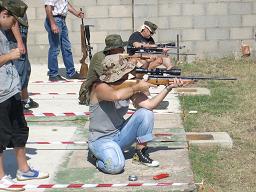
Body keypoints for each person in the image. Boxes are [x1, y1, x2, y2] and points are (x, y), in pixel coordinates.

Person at [86, 34, 185, 174]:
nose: (129, 74)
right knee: (115, 167)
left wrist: (168, 88)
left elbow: (150, 105)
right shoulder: (98, 87)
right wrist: (137, 86)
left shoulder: (128, 87)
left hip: (120, 134)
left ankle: (141, 152)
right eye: (126, 72)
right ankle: (96, 156)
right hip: (100, 140)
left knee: (145, 113)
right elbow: (116, 96)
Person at [0, 0, 49, 191]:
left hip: (11, 90)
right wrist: (8, 57)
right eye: (14, 21)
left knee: (20, 131)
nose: (15, 26)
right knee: (1, 136)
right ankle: (1, 177)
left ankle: (24, 170)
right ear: (4, 14)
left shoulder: (3, 31)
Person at [44, 0, 84, 81]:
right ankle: (53, 74)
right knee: (55, 48)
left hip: (61, 20)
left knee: (66, 47)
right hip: (55, 20)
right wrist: (53, 24)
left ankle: (71, 72)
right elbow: (48, 8)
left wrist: (76, 13)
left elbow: (65, 4)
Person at [6, 14, 39, 111]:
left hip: (19, 37)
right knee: (19, 72)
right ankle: (17, 103)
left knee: (25, 69)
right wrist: (20, 42)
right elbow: (12, 20)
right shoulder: (9, 4)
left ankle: (25, 99)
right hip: (15, 39)